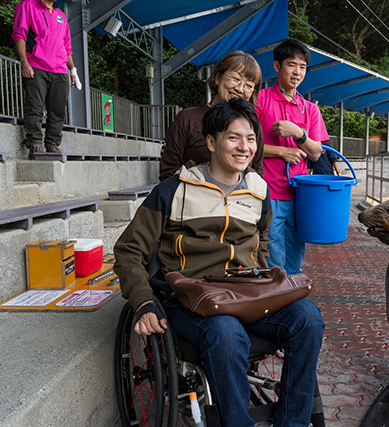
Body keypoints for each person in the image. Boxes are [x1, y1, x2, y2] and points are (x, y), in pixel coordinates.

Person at [114, 98, 324, 427]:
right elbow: (129, 250)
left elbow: (263, 241)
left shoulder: (259, 192)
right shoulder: (173, 191)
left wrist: (266, 277)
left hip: (247, 294)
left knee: (308, 317)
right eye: (233, 137)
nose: (244, 147)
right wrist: (143, 301)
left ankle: (293, 422)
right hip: (192, 300)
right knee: (226, 332)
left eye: (251, 138)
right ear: (211, 142)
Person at [256, 39, 328, 275]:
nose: (297, 72)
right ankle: (276, 305)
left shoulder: (310, 109)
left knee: (296, 258)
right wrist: (280, 151)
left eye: (302, 66)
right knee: (273, 259)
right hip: (267, 193)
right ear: (277, 66)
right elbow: (244, 146)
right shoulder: (260, 100)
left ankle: (293, 305)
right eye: (291, 65)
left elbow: (316, 152)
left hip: (300, 195)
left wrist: (298, 134)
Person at [159, 50, 263, 181]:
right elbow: (168, 171)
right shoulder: (187, 119)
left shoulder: (252, 126)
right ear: (218, 77)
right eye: (235, 79)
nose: (240, 89)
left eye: (248, 85)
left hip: (236, 199)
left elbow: (256, 172)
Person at [12, 0, 79, 159]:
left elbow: (67, 47)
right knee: (34, 106)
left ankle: (52, 144)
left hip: (60, 70)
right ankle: (35, 142)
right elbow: (19, 34)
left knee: (58, 111)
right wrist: (24, 62)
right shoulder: (27, 5)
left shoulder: (60, 15)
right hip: (37, 66)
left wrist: (73, 70)